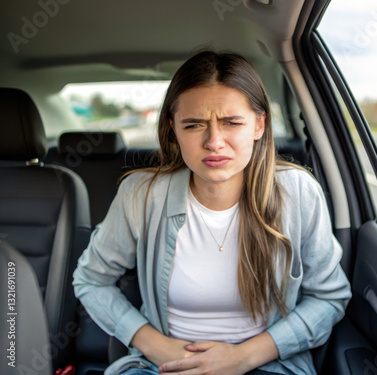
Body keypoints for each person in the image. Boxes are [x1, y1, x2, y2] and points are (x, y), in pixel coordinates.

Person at [73, 50, 352, 375]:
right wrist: (154, 345)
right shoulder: (141, 194)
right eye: (194, 125)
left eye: (232, 122)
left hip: (267, 366)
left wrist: (245, 357)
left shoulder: (298, 192)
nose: (214, 142)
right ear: (174, 129)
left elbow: (330, 298)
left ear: (259, 125)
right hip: (162, 367)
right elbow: (90, 280)